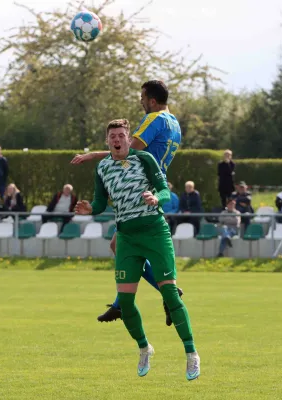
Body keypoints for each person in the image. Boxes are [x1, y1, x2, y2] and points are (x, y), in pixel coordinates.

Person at [75, 119, 199, 380]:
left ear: (128, 139)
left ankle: (191, 353)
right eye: (112, 136)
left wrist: (157, 198)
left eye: (121, 135)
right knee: (127, 303)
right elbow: (99, 202)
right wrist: (91, 210)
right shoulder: (102, 168)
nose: (117, 139)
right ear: (107, 141)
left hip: (155, 232)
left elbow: (164, 190)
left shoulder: (144, 159)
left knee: (171, 294)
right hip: (127, 237)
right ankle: (144, 347)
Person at [71, 80, 183, 325]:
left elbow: (129, 150)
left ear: (152, 100)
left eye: (142, 97)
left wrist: (93, 156)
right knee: (119, 245)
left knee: (124, 246)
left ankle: (164, 293)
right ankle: (125, 302)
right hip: (152, 185)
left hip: (142, 188)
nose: (141, 101)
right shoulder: (175, 123)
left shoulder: (154, 119)